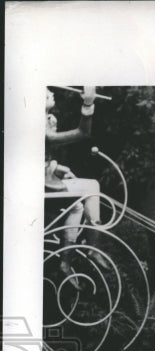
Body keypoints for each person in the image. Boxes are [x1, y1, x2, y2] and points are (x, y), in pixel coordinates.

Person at [45, 86, 104, 281]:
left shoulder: (47, 121)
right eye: (46, 94)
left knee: (76, 207)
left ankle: (66, 260)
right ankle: (94, 248)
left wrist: (55, 166)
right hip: (40, 184)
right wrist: (88, 104)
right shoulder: (39, 126)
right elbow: (82, 133)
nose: (52, 93)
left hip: (43, 179)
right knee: (92, 186)